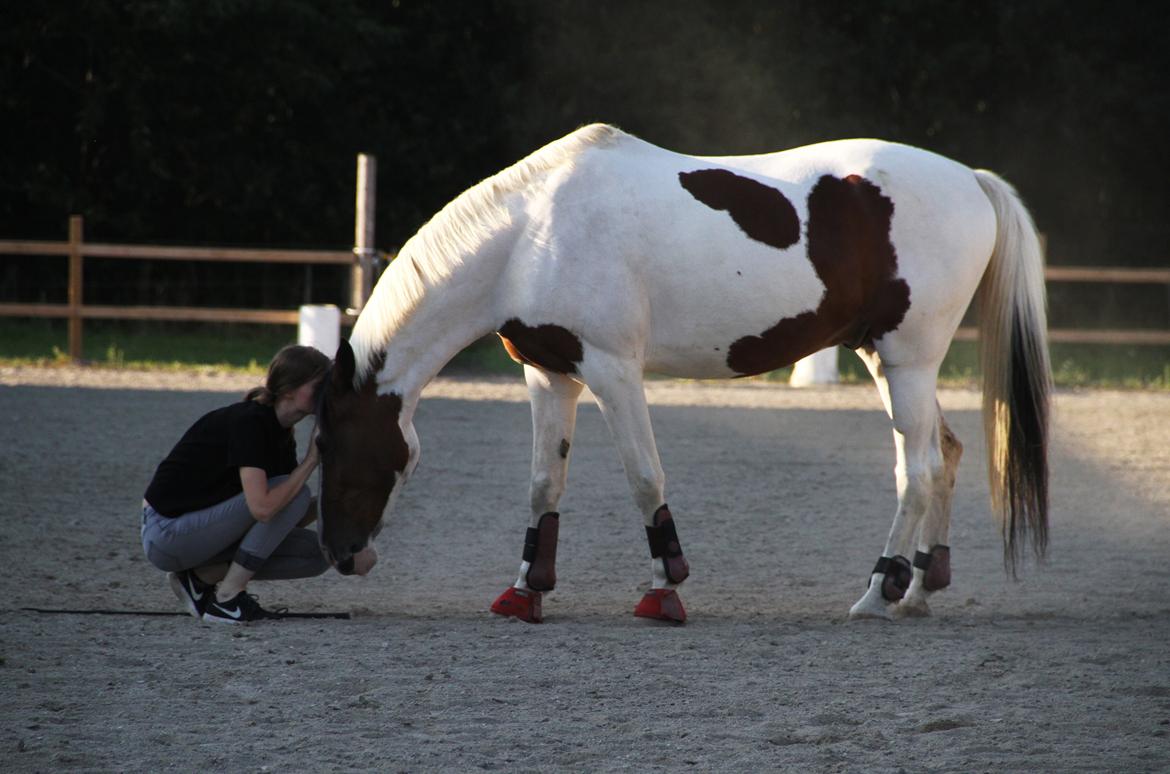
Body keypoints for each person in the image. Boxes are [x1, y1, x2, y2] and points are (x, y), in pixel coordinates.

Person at [140, 344, 333, 623]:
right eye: (319, 386)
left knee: (318, 554)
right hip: (167, 534)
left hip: (198, 534)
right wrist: (311, 462)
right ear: (289, 389)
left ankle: (197, 580)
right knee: (294, 492)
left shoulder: (281, 434)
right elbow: (264, 510)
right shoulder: (250, 423)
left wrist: (345, 503)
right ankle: (228, 598)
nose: (325, 394)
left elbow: (284, 516)